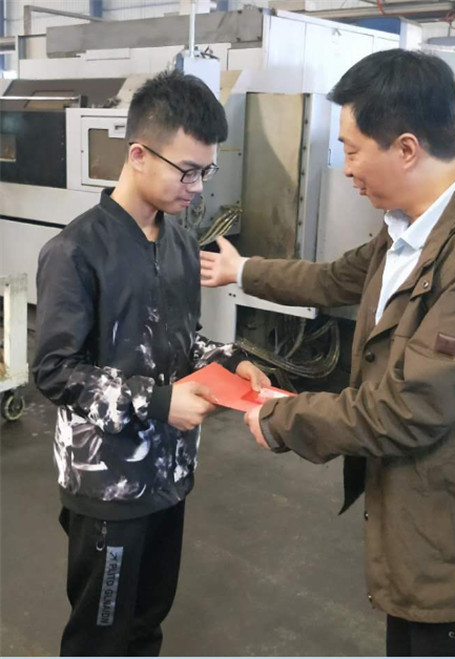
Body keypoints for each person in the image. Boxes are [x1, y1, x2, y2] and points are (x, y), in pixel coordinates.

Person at [201, 49, 455, 657]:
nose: (345, 169)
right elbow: (335, 279)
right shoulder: (412, 226)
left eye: (353, 150)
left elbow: (408, 405)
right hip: (421, 526)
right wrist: (245, 270)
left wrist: (281, 417)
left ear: (407, 148)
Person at [33, 69, 269, 656]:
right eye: (187, 170)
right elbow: (55, 370)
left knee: (148, 622)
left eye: (205, 171)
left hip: (169, 477)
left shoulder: (181, 243)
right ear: (138, 154)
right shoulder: (76, 251)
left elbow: (180, 342)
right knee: (100, 634)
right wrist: (160, 402)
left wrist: (230, 362)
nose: (198, 187)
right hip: (106, 485)